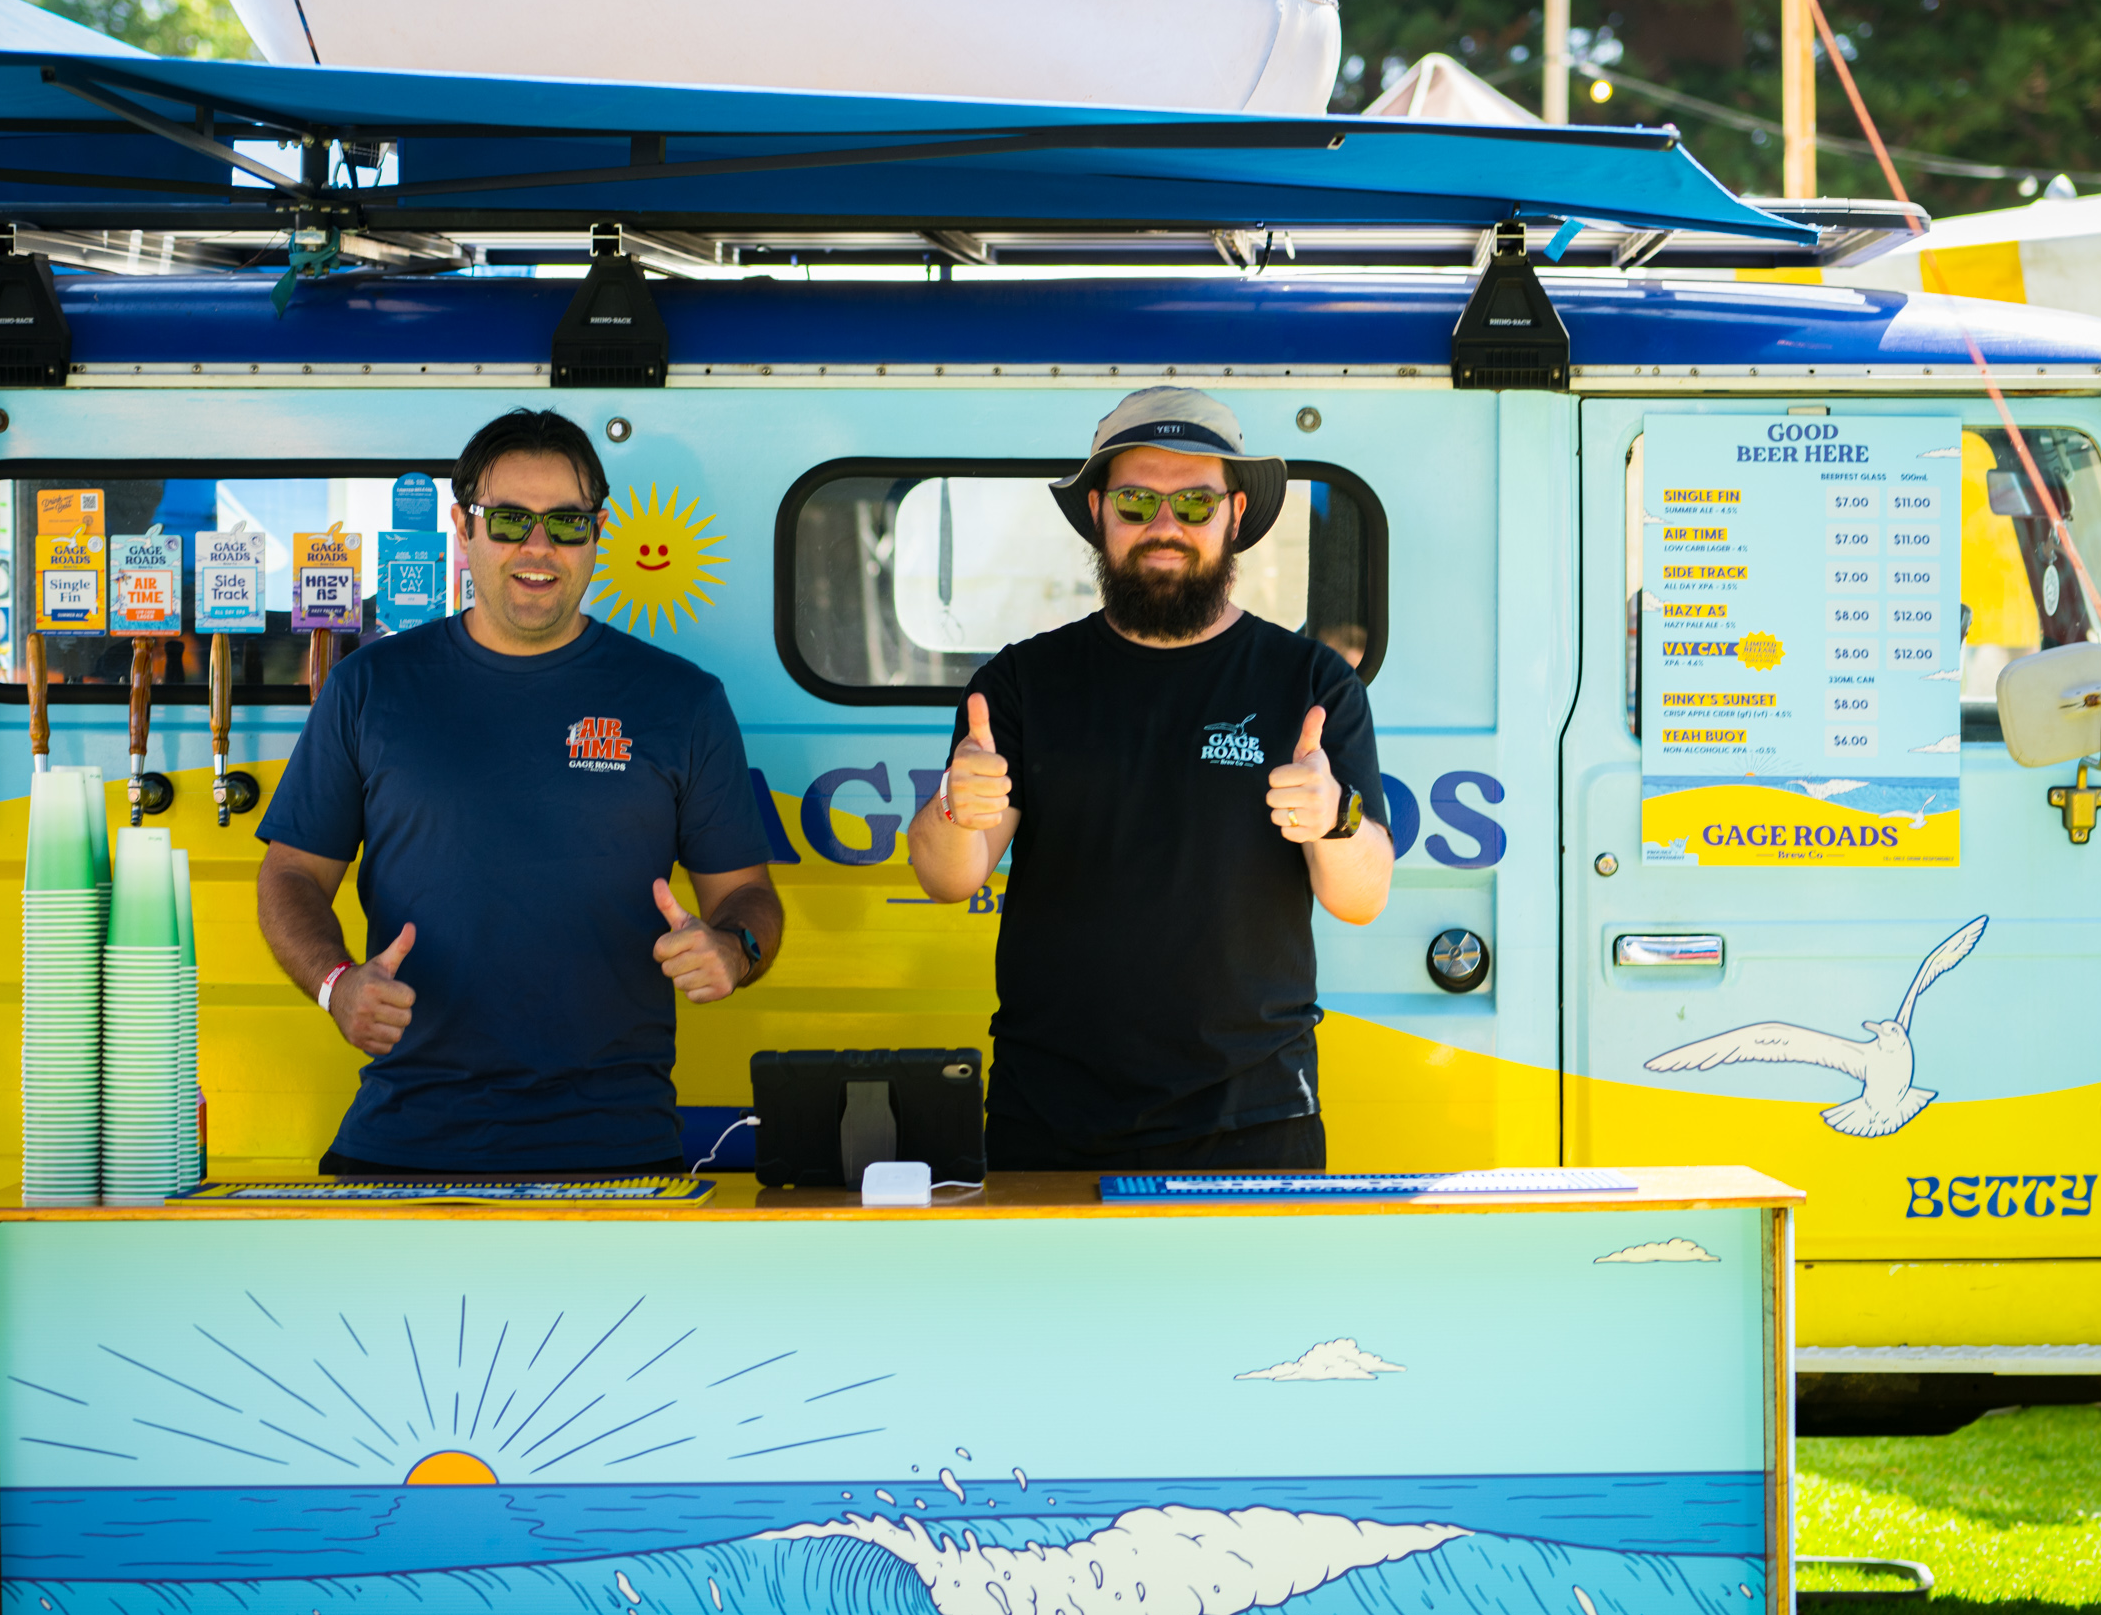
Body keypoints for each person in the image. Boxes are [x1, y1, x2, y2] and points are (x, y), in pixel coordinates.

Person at [254, 409, 784, 1177]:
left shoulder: (682, 701)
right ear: (462, 526)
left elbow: (749, 894)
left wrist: (734, 950)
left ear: (598, 532)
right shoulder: (370, 687)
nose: (539, 549)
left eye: (566, 523)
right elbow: (291, 875)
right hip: (406, 1141)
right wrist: (336, 985)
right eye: (509, 520)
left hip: (618, 1149)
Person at [905, 386, 1393, 1172]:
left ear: (1234, 516)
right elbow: (946, 878)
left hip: (1254, 1118)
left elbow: (1362, 899)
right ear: (1099, 512)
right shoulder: (1022, 681)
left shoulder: (1312, 682)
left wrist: (1334, 818)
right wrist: (957, 814)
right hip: (1050, 1117)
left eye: (1194, 503)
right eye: (1137, 500)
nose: (1165, 526)